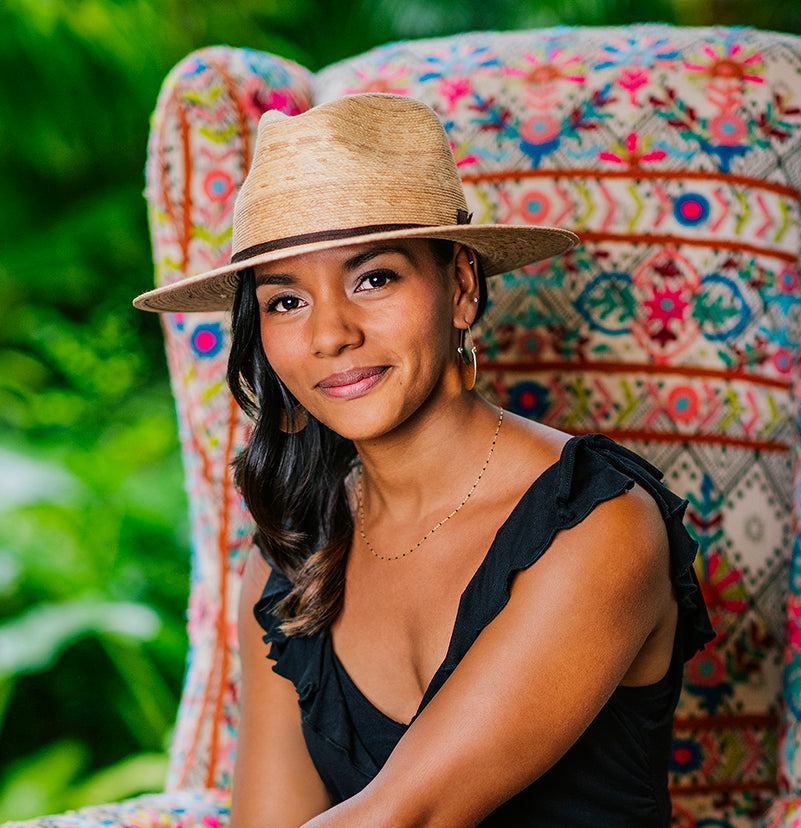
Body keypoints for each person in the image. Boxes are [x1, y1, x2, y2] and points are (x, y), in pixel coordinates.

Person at [134, 93, 714, 827]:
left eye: (372, 278)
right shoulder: (292, 558)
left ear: (462, 286)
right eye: (285, 301)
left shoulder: (597, 525)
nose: (330, 335)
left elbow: (408, 816)